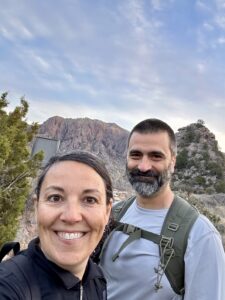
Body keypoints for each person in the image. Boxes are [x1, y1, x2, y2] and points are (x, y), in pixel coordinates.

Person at [100, 118, 225, 300]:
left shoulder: (200, 235)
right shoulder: (112, 213)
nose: (143, 166)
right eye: (135, 155)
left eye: (156, 156)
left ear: (173, 161)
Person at [0, 151, 112, 299]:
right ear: (36, 207)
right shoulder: (8, 286)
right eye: (55, 198)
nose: (71, 216)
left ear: (107, 212)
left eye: (90, 200)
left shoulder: (97, 279)